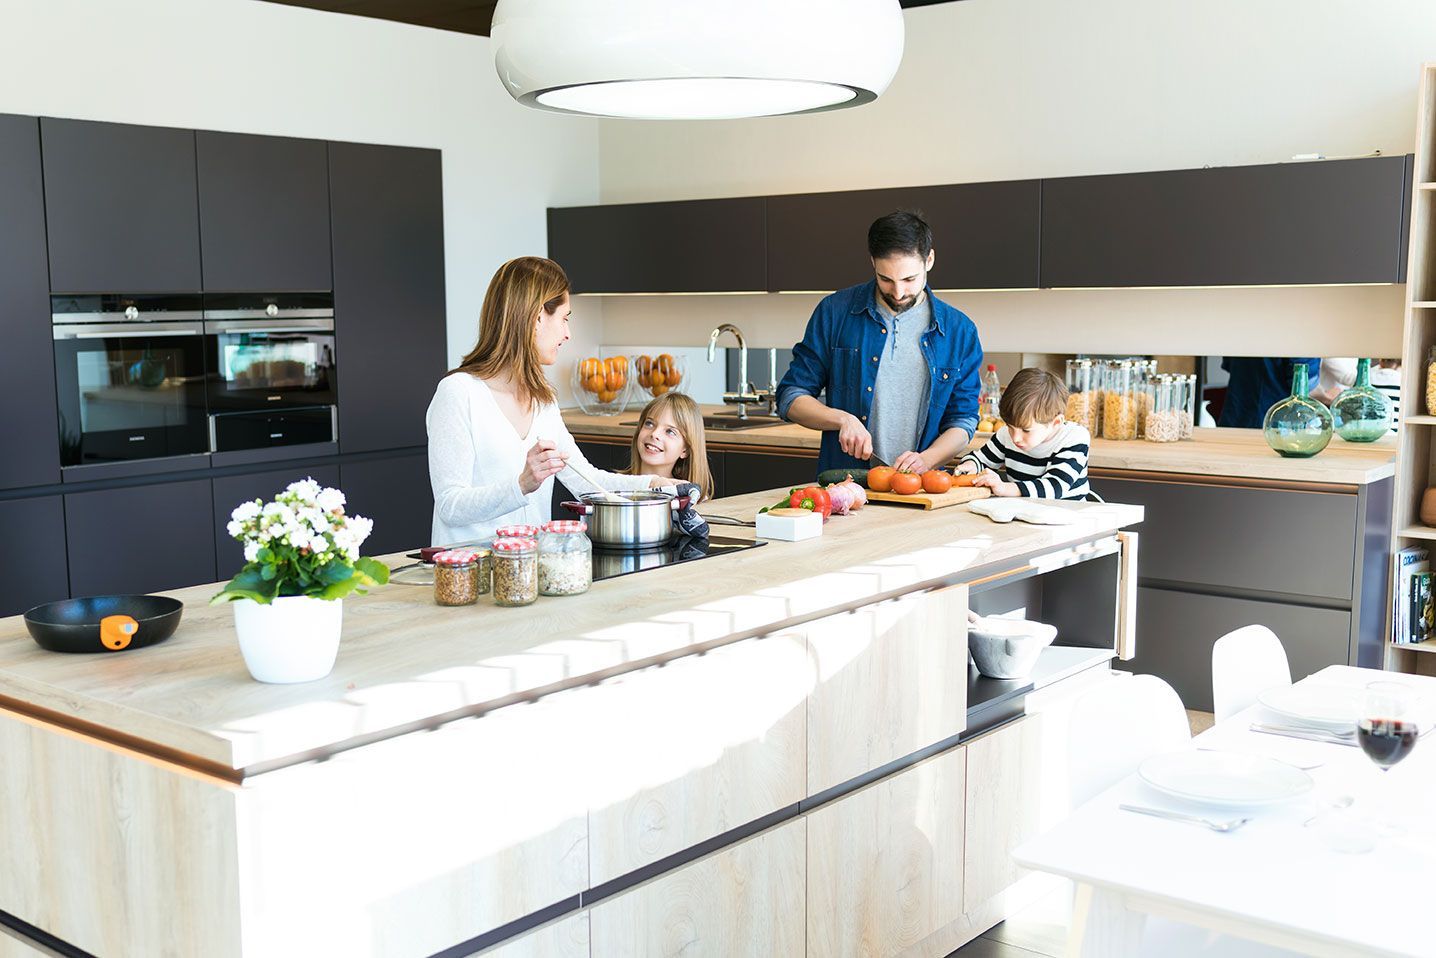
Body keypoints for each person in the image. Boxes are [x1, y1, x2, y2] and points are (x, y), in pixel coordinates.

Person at [426, 256, 664, 544]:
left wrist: (656, 485)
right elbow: (451, 506)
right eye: (564, 319)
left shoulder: (543, 400)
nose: (567, 333)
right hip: (471, 575)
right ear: (537, 317)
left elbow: (585, 480)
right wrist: (522, 484)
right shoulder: (458, 393)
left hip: (530, 571)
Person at [776, 210, 983, 475]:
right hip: (846, 484)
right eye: (886, 279)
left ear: (929, 260)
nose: (898, 293)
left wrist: (927, 459)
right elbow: (791, 396)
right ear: (873, 262)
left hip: (920, 487)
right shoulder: (834, 312)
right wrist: (842, 419)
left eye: (909, 279)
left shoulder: (959, 331)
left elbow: (963, 420)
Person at [955, 368, 1091, 500]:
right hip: (1023, 513)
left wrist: (1004, 488)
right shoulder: (1006, 435)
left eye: (1026, 430)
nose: (1015, 438)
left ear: (1056, 422)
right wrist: (970, 465)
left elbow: (1054, 487)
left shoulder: (1074, 438)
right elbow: (981, 459)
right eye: (1010, 427)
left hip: (1068, 517)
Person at [622, 392, 714, 538]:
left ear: (686, 450)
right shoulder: (617, 488)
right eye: (649, 423)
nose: (655, 434)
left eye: (670, 431)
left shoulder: (689, 501)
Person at [1218, 357, 1320, 429]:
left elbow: (1228, 363)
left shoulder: (1240, 328)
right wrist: (1330, 397)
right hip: (1279, 425)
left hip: (1234, 416)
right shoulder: (1303, 332)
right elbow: (1301, 384)